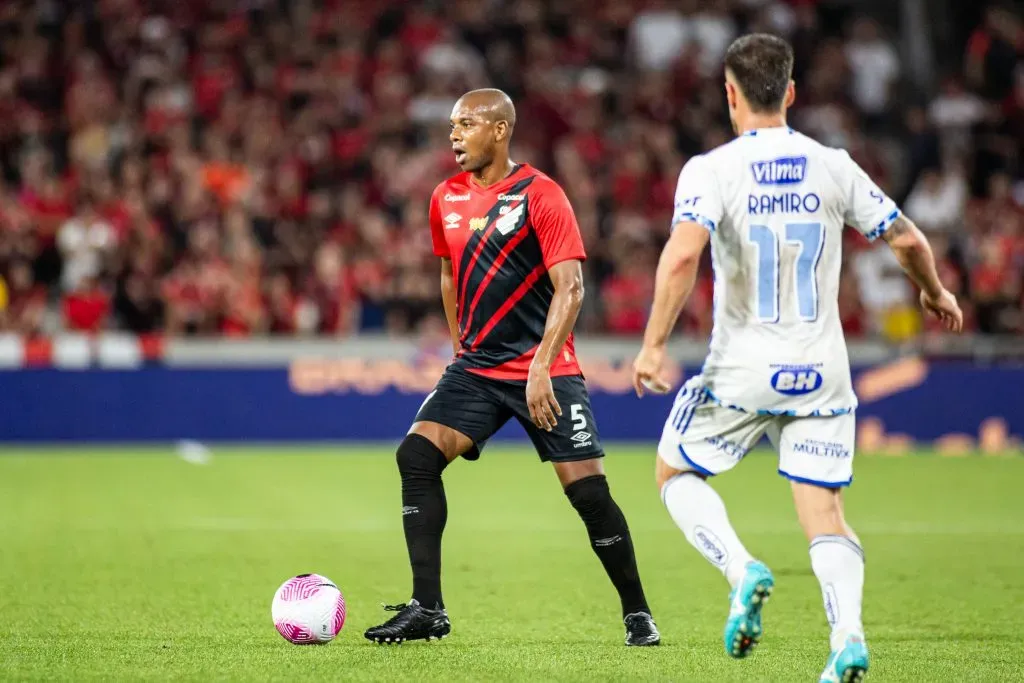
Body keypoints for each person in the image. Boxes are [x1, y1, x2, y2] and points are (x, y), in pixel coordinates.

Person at [631, 34, 963, 682]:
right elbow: (906, 237)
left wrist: (652, 343)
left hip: (743, 367)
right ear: (790, 93)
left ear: (730, 95)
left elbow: (679, 255)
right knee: (824, 512)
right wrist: (935, 290)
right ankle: (846, 639)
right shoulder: (833, 165)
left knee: (674, 472)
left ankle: (740, 569)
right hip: (822, 369)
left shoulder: (710, 169)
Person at [365, 89, 659, 647]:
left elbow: (570, 288)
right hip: (477, 368)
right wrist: (461, 351)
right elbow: (449, 277)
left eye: (467, 124)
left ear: (500, 131)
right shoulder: (444, 197)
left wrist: (543, 365)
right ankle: (427, 608)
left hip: (544, 369)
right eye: (451, 125)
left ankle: (637, 612)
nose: (454, 135)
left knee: (589, 495)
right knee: (416, 456)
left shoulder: (541, 194)